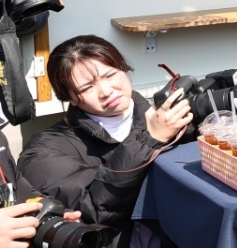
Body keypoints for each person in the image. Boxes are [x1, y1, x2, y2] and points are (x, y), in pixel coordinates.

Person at [19, 36, 194, 246]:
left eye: (110, 75)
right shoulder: (45, 149)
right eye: (87, 88)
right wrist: (149, 139)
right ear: (70, 98)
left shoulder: (166, 118)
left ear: (124, 69)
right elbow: (94, 210)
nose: (106, 91)